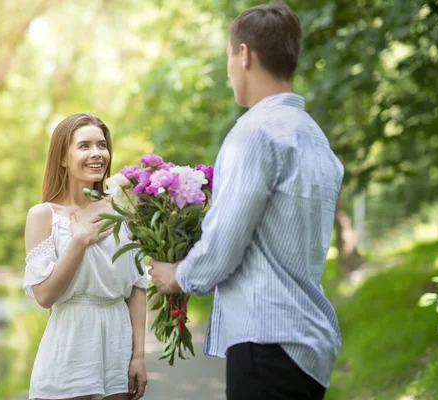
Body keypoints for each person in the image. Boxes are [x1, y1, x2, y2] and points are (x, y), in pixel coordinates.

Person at [148, 2, 343, 399]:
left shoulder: (255, 133)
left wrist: (178, 276)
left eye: (227, 58)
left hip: (266, 342)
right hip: (307, 347)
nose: (228, 71)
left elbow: (224, 243)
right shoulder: (316, 139)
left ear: (244, 54)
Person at [24, 112, 148, 400]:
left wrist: (138, 356)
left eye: (102, 145)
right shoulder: (44, 216)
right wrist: (79, 240)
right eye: (84, 146)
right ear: (63, 158)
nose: (97, 154)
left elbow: (137, 288)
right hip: (69, 344)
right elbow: (44, 297)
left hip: (117, 342)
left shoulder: (126, 210)